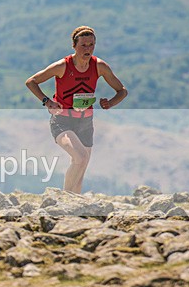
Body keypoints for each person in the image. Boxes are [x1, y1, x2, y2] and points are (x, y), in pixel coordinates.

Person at [26, 26, 127, 193]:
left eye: (91, 45)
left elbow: (122, 91)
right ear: (74, 46)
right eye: (83, 45)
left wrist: (110, 103)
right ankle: (64, 198)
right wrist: (47, 101)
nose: (88, 49)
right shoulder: (62, 66)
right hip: (62, 120)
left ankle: (75, 203)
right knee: (80, 157)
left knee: (81, 168)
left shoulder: (99, 66)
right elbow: (31, 82)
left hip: (85, 122)